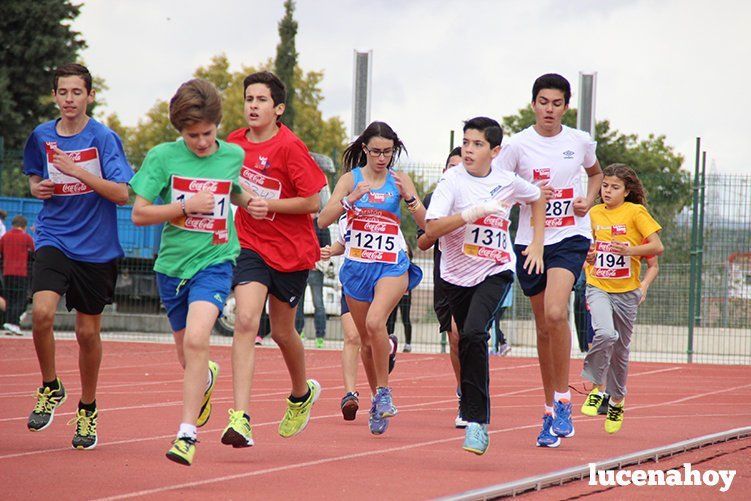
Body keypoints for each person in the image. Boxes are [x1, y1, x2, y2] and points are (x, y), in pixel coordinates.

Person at [130, 78, 249, 466]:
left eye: (207, 133)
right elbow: (140, 212)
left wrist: (251, 202)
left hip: (215, 261)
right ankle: (205, 377)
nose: (201, 142)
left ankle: (186, 434)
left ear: (218, 124)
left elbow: (230, 189)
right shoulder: (163, 157)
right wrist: (185, 207)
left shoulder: (232, 154)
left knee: (199, 339)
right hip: (171, 267)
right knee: (188, 354)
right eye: (192, 135)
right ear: (180, 131)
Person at [22, 63, 133, 449]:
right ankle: (50, 386)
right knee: (41, 313)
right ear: (55, 96)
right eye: (63, 92)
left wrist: (77, 171)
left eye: (76, 92)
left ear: (89, 96)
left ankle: (87, 407)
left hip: (96, 246)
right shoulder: (41, 135)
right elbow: (34, 173)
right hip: (54, 235)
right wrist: (37, 186)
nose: (69, 99)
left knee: (87, 333)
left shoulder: (103, 138)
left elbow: (122, 194)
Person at [492, 73, 603, 448]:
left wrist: (590, 198)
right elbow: (500, 187)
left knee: (557, 312)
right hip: (530, 241)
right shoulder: (517, 146)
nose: (549, 109)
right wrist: (530, 193)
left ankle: (564, 400)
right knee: (542, 327)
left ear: (566, 106)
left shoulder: (579, 142)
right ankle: (548, 407)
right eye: (543, 102)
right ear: (533, 103)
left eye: (557, 103)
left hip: (570, 236)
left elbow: (596, 172)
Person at [425, 117, 545, 455]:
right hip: (455, 276)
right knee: (464, 339)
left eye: (477, 144)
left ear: (495, 151)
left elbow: (537, 198)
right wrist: (472, 213)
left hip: (495, 268)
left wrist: (536, 243)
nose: (468, 150)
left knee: (476, 333)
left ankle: (477, 423)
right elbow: (432, 230)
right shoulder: (451, 181)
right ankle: (470, 401)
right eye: (465, 143)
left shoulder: (508, 181)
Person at [222, 71, 324, 449]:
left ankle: (301, 394)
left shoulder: (290, 147)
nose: (253, 105)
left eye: (262, 100)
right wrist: (244, 201)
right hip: (249, 245)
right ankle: (240, 418)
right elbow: (229, 189)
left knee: (282, 332)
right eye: (249, 98)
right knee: (246, 320)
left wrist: (272, 205)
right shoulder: (232, 143)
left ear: (278, 109)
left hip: (292, 252)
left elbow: (313, 202)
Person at [318, 121, 423, 435]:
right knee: (365, 341)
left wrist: (409, 199)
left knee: (376, 323)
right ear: (364, 149)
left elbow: (426, 223)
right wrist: (350, 198)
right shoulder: (350, 180)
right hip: (357, 268)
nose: (382, 158)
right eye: (376, 151)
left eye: (388, 152)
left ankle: (385, 391)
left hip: (391, 265)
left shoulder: (399, 180)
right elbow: (323, 219)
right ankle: (377, 398)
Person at [580, 164, 663, 434]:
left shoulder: (635, 212)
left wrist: (631, 250)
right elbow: (585, 250)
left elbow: (657, 247)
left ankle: (616, 400)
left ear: (627, 191)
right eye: (605, 186)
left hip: (626, 291)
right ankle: (596, 388)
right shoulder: (593, 214)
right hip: (598, 285)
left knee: (621, 350)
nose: (607, 191)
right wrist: (588, 258)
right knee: (604, 334)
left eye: (615, 187)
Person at [324, 214, 398, 420]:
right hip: (353, 283)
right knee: (353, 337)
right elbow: (342, 243)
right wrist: (329, 250)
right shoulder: (344, 217)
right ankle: (350, 394)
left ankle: (380, 391)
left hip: (380, 281)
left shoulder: (386, 210)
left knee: (371, 333)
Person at [417, 146, 466, 428]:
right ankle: (464, 391)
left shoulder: (479, 196)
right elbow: (423, 242)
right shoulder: (432, 200)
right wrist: (437, 227)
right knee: (455, 338)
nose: (454, 171)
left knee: (469, 335)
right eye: (450, 166)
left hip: (476, 276)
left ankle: (473, 392)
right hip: (444, 278)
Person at [295, 213, 331, 348]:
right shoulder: (299, 223)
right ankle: (298, 332)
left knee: (318, 302)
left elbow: (328, 248)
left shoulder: (322, 225)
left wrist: (318, 262)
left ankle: (320, 335)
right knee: (298, 303)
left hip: (316, 269)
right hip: (300, 268)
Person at [0, 215, 35, 335]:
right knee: (21, 299)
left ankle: (10, 322)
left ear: (12, 224)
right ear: (24, 226)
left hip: (7, 272)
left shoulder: (5, 237)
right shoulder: (26, 238)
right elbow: (33, 252)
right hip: (21, 272)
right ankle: (14, 323)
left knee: (9, 299)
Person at [386, 243, 413, 352]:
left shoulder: (410, 266)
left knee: (405, 318)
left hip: (405, 295)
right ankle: (389, 340)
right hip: (393, 293)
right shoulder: (393, 265)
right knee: (391, 318)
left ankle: (408, 343)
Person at [491, 284, 513, 356]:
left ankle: (495, 350)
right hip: (502, 300)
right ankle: (503, 344)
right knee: (492, 323)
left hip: (500, 300)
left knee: (494, 323)